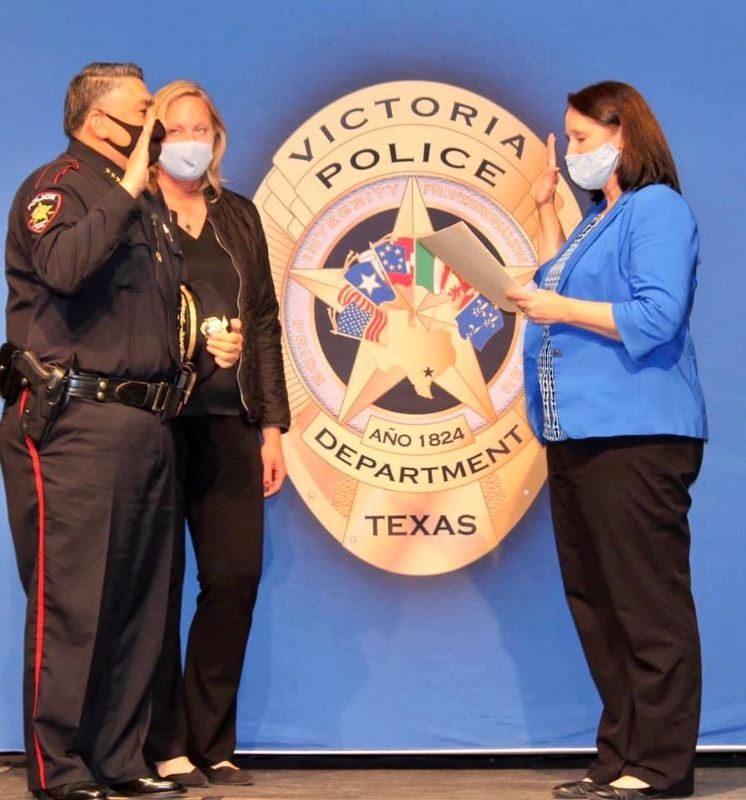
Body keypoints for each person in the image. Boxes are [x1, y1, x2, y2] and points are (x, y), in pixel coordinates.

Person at [507, 81, 707, 800]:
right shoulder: (598, 217)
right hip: (577, 434)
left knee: (645, 603)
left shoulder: (657, 209)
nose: (572, 153)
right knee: (596, 603)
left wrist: (556, 304)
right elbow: (558, 288)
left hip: (636, 435)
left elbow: (655, 314)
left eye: (583, 140)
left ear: (625, 136)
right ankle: (619, 754)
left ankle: (660, 765)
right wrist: (545, 214)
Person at [0, 63, 192, 800]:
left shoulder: (146, 206)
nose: (158, 128)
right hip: (74, 422)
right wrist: (130, 182)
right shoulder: (58, 188)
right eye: (145, 115)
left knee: (138, 602)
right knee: (74, 600)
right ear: (98, 121)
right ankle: (62, 769)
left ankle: (120, 758)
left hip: (146, 420)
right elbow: (65, 267)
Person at [143, 80, 290, 787]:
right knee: (157, 586)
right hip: (155, 424)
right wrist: (190, 348)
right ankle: (164, 743)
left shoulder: (238, 214)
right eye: (175, 130)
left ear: (218, 137)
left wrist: (273, 428)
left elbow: (263, 320)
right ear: (153, 139)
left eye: (200, 129)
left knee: (234, 577)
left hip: (233, 421)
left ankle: (211, 739)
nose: (190, 142)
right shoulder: (135, 212)